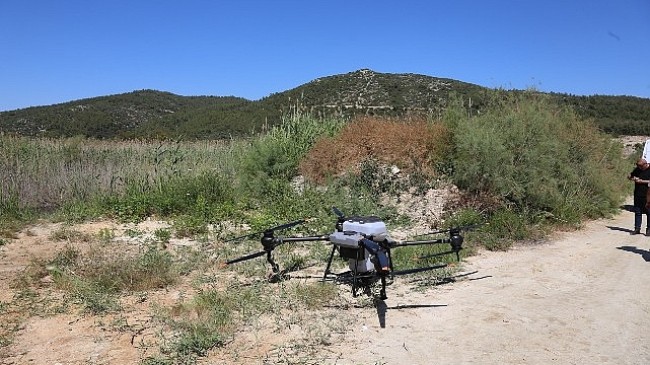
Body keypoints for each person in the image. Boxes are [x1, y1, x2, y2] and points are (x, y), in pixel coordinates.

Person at [628, 158, 650, 235]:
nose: (639, 168)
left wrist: (641, 181)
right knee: (638, 211)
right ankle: (637, 228)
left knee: (648, 212)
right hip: (638, 193)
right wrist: (631, 177)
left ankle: (648, 230)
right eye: (638, 166)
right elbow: (630, 175)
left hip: (648, 195)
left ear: (645, 164)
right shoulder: (638, 169)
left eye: (640, 166)